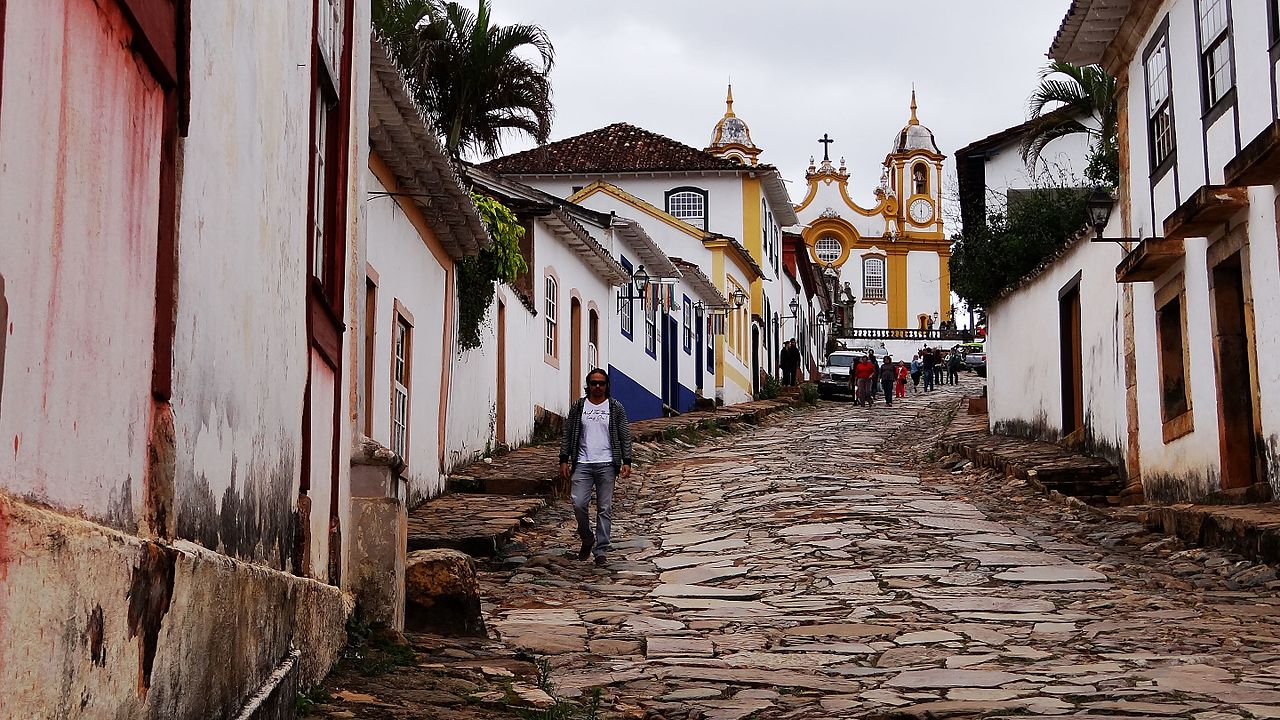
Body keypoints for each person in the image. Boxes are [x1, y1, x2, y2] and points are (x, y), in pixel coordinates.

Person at [559, 368, 633, 565]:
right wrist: (563, 459)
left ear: (607, 385)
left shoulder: (615, 407)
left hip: (607, 463)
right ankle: (587, 538)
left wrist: (627, 461)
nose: (598, 386)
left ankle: (601, 550)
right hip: (582, 463)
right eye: (594, 383)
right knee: (578, 503)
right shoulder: (579, 406)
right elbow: (568, 434)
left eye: (601, 383)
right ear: (588, 385)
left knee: (604, 508)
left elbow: (625, 435)